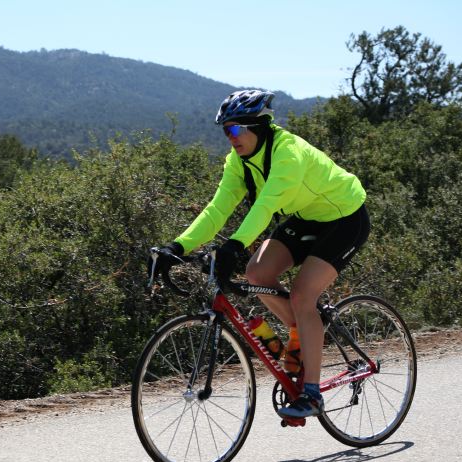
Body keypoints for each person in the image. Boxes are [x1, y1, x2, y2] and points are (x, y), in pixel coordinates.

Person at [151, 89, 370, 418]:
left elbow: (266, 207)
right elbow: (217, 209)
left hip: (345, 216)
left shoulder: (287, 153)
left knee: (302, 294)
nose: (231, 137)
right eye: (226, 131)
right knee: (256, 274)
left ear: (258, 126)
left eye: (236, 129)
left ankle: (311, 394)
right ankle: (303, 330)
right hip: (307, 218)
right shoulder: (237, 162)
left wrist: (234, 245)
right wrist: (176, 246)